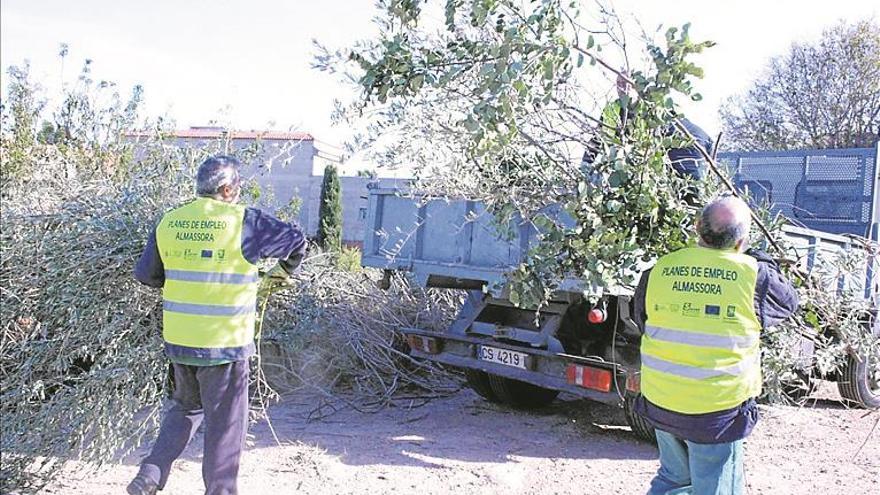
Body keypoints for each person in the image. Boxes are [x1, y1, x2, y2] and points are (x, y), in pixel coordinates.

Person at [127, 156, 306, 495]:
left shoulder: (170, 221)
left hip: (180, 342)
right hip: (224, 347)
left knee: (185, 408)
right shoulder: (245, 222)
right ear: (227, 190)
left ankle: (149, 475)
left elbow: (147, 276)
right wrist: (278, 275)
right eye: (237, 189)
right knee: (226, 428)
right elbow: (297, 241)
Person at [632, 195, 799, 495]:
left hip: (662, 402)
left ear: (697, 228)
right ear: (741, 241)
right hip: (717, 412)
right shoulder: (754, 276)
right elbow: (788, 303)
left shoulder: (658, 270)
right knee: (716, 486)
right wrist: (762, 258)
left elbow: (642, 320)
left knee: (673, 479)